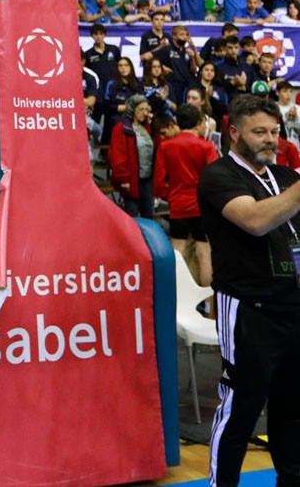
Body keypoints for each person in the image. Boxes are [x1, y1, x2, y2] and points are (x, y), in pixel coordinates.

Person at [197, 94, 300, 487]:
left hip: (293, 306)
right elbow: (255, 221)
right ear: (235, 132)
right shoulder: (219, 175)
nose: (271, 140)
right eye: (260, 132)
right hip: (248, 308)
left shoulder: (286, 177)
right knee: (241, 407)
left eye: (275, 132)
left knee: (293, 407)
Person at [152, 104, 218, 285]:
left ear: (177, 122)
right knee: (204, 253)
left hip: (178, 204)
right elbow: (214, 179)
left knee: (178, 251)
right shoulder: (207, 146)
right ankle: (208, 303)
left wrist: (167, 195)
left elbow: (158, 181)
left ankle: (177, 298)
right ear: (198, 123)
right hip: (202, 206)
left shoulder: (166, 146)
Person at [108, 94, 156, 219]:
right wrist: (123, 178)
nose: (145, 113)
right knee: (132, 215)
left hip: (147, 178)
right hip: (131, 179)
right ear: (132, 109)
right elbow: (117, 155)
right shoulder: (122, 128)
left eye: (147, 110)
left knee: (148, 214)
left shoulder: (148, 128)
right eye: (141, 109)